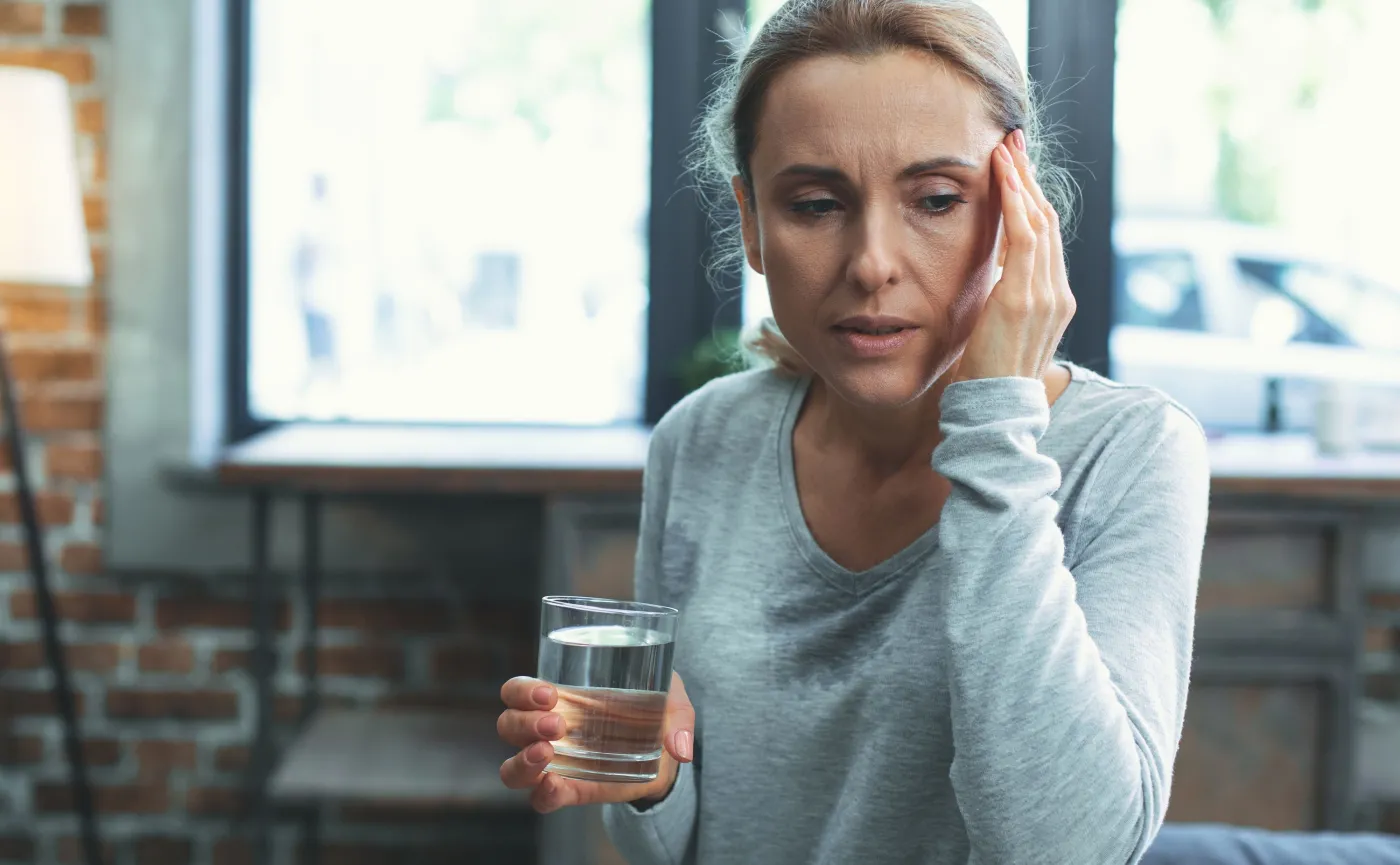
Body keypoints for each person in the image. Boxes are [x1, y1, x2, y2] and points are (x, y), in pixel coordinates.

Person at [497, 0, 1211, 862]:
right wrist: (653, 778)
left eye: (938, 198)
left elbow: (1065, 847)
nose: (873, 261)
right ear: (754, 225)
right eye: (815, 204)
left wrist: (993, 425)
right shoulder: (702, 440)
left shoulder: (1130, 453)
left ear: (1018, 218)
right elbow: (671, 845)